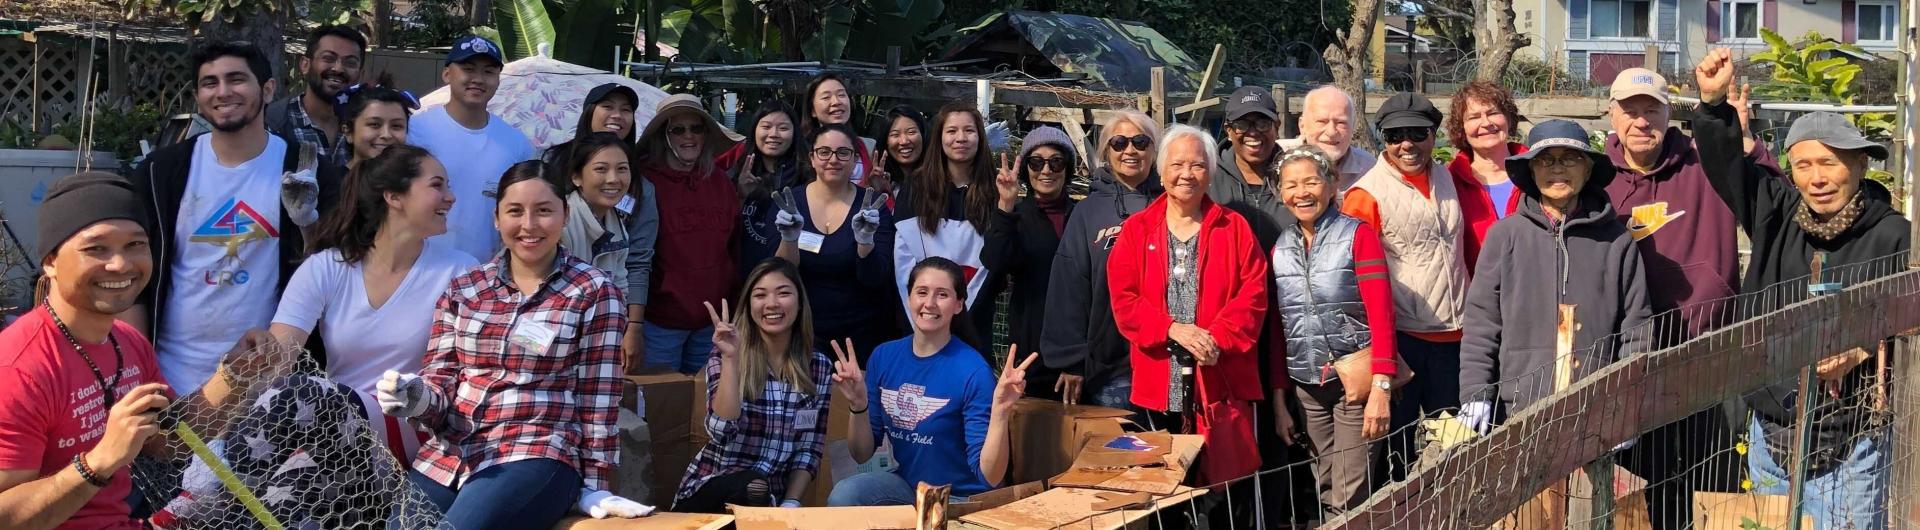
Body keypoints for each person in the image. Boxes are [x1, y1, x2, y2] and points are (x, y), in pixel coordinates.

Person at [1693, 49, 1907, 530]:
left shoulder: (1894, 234)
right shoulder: (1776, 215)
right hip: (1771, 428)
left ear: (1860, 165)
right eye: (1804, 165)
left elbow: (1908, 317)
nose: (1817, 178)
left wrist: (1861, 347)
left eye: (1829, 163)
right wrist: (1712, 105)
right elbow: (1726, 166)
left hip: (1853, 435)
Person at [377, 162, 647, 529]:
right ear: (496, 218)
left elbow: (597, 399)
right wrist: (415, 397)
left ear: (565, 215)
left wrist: (594, 485)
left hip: (537, 452)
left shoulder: (593, 291)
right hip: (450, 454)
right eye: (515, 211)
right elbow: (442, 379)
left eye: (544, 210)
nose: (529, 225)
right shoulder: (465, 289)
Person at [1599, 66, 1781, 530]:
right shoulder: (1596, 180)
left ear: (1670, 115)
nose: (1642, 121)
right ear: (1611, 115)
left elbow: (1771, 201)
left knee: (1714, 484)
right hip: (1632, 363)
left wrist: (1745, 144)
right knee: (1639, 489)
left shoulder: (1707, 164)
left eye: (1652, 110)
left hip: (1711, 355)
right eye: (1630, 111)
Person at [128, 41, 338, 394]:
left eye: (236, 79)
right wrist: (138, 373)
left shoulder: (307, 169)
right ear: (198, 97)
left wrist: (307, 223)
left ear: (267, 90)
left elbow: (333, 266)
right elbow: (135, 275)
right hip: (170, 374)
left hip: (266, 379)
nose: (223, 92)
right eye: (209, 83)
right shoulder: (161, 171)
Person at [267, 144, 475, 462]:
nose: (451, 197)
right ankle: (208, 479)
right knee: (286, 474)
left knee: (309, 394)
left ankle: (214, 472)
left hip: (415, 428)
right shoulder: (326, 267)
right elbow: (275, 363)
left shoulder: (461, 272)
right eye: (437, 185)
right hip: (332, 430)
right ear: (394, 197)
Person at [1107, 125, 1270, 527]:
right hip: (1157, 383)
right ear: (1161, 172)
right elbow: (1125, 300)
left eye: (1197, 165)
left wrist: (1216, 339)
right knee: (1164, 497)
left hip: (1219, 382)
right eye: (1177, 164)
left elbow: (1253, 295)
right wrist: (1171, 328)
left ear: (1210, 172)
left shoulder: (1234, 228)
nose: (1186, 174)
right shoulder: (1138, 229)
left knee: (1223, 496)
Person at [1455, 119, 1653, 435]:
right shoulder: (1505, 237)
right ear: (1531, 171)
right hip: (1517, 409)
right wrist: (1476, 392)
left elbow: (1636, 327)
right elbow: (1482, 323)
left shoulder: (1616, 241)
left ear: (1587, 170)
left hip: (1594, 407)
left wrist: (1626, 403)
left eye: (1570, 159)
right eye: (1545, 160)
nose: (1557, 169)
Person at [0, 173, 171, 530]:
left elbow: (171, 444)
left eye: (135, 244)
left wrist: (235, 376)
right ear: (50, 261)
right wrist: (100, 461)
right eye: (96, 248)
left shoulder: (128, 342)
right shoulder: (18, 369)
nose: (120, 264)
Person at [827, 257, 1034, 505]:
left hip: (961, 497)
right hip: (909, 487)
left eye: (942, 295)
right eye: (922, 292)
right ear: (909, 298)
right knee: (846, 493)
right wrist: (858, 405)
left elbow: (991, 477)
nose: (930, 303)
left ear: (958, 304)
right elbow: (861, 454)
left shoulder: (973, 371)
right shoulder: (883, 357)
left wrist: (1000, 412)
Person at [1265, 145, 1397, 516]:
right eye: (1291, 185)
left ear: (1332, 183)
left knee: (1348, 493)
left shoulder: (1358, 236)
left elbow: (1382, 314)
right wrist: (1280, 400)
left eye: (1311, 182)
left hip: (1355, 383)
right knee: (1323, 484)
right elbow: (1279, 328)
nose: (1301, 193)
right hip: (1306, 386)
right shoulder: (1281, 247)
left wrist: (1382, 387)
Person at [1340, 92, 1466, 474]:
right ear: (1383, 139)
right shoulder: (1366, 194)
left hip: (1456, 338)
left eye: (1417, 133)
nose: (1406, 144)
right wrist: (1381, 357)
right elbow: (1354, 280)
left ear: (1434, 135)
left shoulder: (1447, 176)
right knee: (1399, 453)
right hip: (1405, 340)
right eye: (1395, 136)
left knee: (1454, 445)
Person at [674, 259, 832, 512]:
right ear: (748, 306)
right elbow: (720, 431)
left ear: (800, 302)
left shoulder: (819, 366)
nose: (772, 303)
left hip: (771, 502)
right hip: (712, 491)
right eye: (760, 295)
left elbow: (809, 449)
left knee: (760, 489)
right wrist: (731, 359)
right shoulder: (726, 354)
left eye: (783, 293)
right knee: (753, 485)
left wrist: (791, 502)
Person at [1041, 110, 1161, 408]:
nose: (1130, 150)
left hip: (1164, 357)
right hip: (1110, 368)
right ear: (1107, 151)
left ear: (1154, 149)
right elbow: (1069, 286)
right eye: (1119, 143)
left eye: (1140, 142)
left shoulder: (1172, 205)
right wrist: (1071, 359)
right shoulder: (1088, 212)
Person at [770, 124, 895, 362]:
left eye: (843, 153)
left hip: (861, 332)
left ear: (855, 160)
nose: (833, 160)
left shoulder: (872, 207)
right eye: (824, 152)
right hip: (802, 330)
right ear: (812, 158)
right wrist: (789, 239)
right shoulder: (788, 204)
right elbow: (777, 275)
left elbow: (876, 278)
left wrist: (865, 242)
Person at [408, 35, 537, 263]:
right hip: (418, 266)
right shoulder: (414, 131)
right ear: (447, 74)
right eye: (468, 69)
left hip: (485, 272)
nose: (478, 79)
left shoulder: (517, 144)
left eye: (488, 72)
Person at [638, 94, 741, 374]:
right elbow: (637, 255)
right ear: (664, 135)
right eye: (678, 129)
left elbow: (733, 247)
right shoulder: (644, 182)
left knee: (708, 395)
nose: (689, 136)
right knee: (661, 396)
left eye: (696, 128)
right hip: (661, 321)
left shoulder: (720, 182)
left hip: (713, 321)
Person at [893, 102, 1003, 343]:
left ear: (980, 138)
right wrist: (921, 315)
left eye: (969, 130)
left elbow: (997, 262)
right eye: (952, 131)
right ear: (939, 137)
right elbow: (903, 261)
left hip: (975, 322)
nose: (960, 138)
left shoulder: (997, 190)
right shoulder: (916, 188)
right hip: (919, 320)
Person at [983, 126, 1077, 400]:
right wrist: (1005, 205)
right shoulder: (1016, 216)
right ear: (1026, 169)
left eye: (1056, 162)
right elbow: (994, 260)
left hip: (1078, 347)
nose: (1046, 170)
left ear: (1067, 168)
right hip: (1032, 348)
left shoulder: (1083, 215)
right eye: (1036, 162)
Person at [558, 132, 659, 368]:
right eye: (601, 169)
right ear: (576, 176)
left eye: (622, 169)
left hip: (595, 342)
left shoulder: (616, 223)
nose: (614, 179)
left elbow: (620, 285)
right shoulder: (561, 223)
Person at [1442, 81, 1528, 271]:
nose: (1486, 123)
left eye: (1493, 113)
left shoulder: (1536, 173)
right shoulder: (1449, 181)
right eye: (1474, 117)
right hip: (1475, 286)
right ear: (1462, 128)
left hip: (1531, 285)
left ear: (1509, 119)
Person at [266, 25, 365, 171]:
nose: (338, 68)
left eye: (350, 63)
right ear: (305, 64)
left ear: (360, 74)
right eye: (328, 58)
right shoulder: (272, 123)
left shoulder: (366, 126)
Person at [1209, 86, 1289, 249]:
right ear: (1228, 131)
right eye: (1242, 125)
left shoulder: (1295, 175)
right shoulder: (1208, 178)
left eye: (1263, 124)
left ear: (1277, 127)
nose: (1253, 133)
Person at [734, 100, 804, 277]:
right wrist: (740, 196)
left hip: (790, 280)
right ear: (754, 130)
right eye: (766, 126)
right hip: (745, 280)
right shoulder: (738, 171)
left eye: (783, 128)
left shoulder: (807, 177)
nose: (773, 134)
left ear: (795, 133)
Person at [799, 73, 887, 190]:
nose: (836, 102)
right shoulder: (799, 151)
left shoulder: (869, 147)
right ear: (812, 110)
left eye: (841, 95)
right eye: (826, 97)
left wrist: (876, 187)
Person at [1279, 86, 1377, 190]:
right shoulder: (1277, 157)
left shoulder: (1369, 169)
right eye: (1322, 122)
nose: (1331, 132)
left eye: (1341, 123)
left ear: (1352, 127)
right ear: (1302, 126)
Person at [543, 83, 640, 165]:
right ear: (589, 113)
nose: (617, 115)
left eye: (625, 109)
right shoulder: (555, 158)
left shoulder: (639, 165)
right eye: (608, 106)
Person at [335, 76, 421, 168]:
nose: (386, 135)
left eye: (396, 126)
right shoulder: (329, 176)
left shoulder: (418, 176)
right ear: (349, 132)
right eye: (374, 124)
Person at [878, 105, 930, 199]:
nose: (904, 141)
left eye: (911, 132)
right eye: (895, 135)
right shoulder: (879, 182)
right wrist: (877, 191)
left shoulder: (940, 180)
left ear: (923, 135)